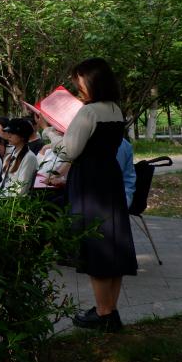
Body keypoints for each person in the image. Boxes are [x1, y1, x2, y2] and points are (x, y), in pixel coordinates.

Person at [62, 58, 136, 332]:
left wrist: (51, 134)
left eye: (79, 83)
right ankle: (110, 310)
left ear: (92, 81)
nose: (77, 89)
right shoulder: (116, 109)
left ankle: (103, 313)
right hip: (110, 178)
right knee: (113, 245)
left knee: (96, 246)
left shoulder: (88, 112)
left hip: (90, 182)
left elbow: (70, 150)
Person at [0, 119, 38, 196]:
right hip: (3, 195)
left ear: (23, 136)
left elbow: (20, 190)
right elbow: (3, 184)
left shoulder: (29, 157)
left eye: (12, 133)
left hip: (13, 200)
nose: (8, 135)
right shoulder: (10, 154)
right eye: (8, 132)